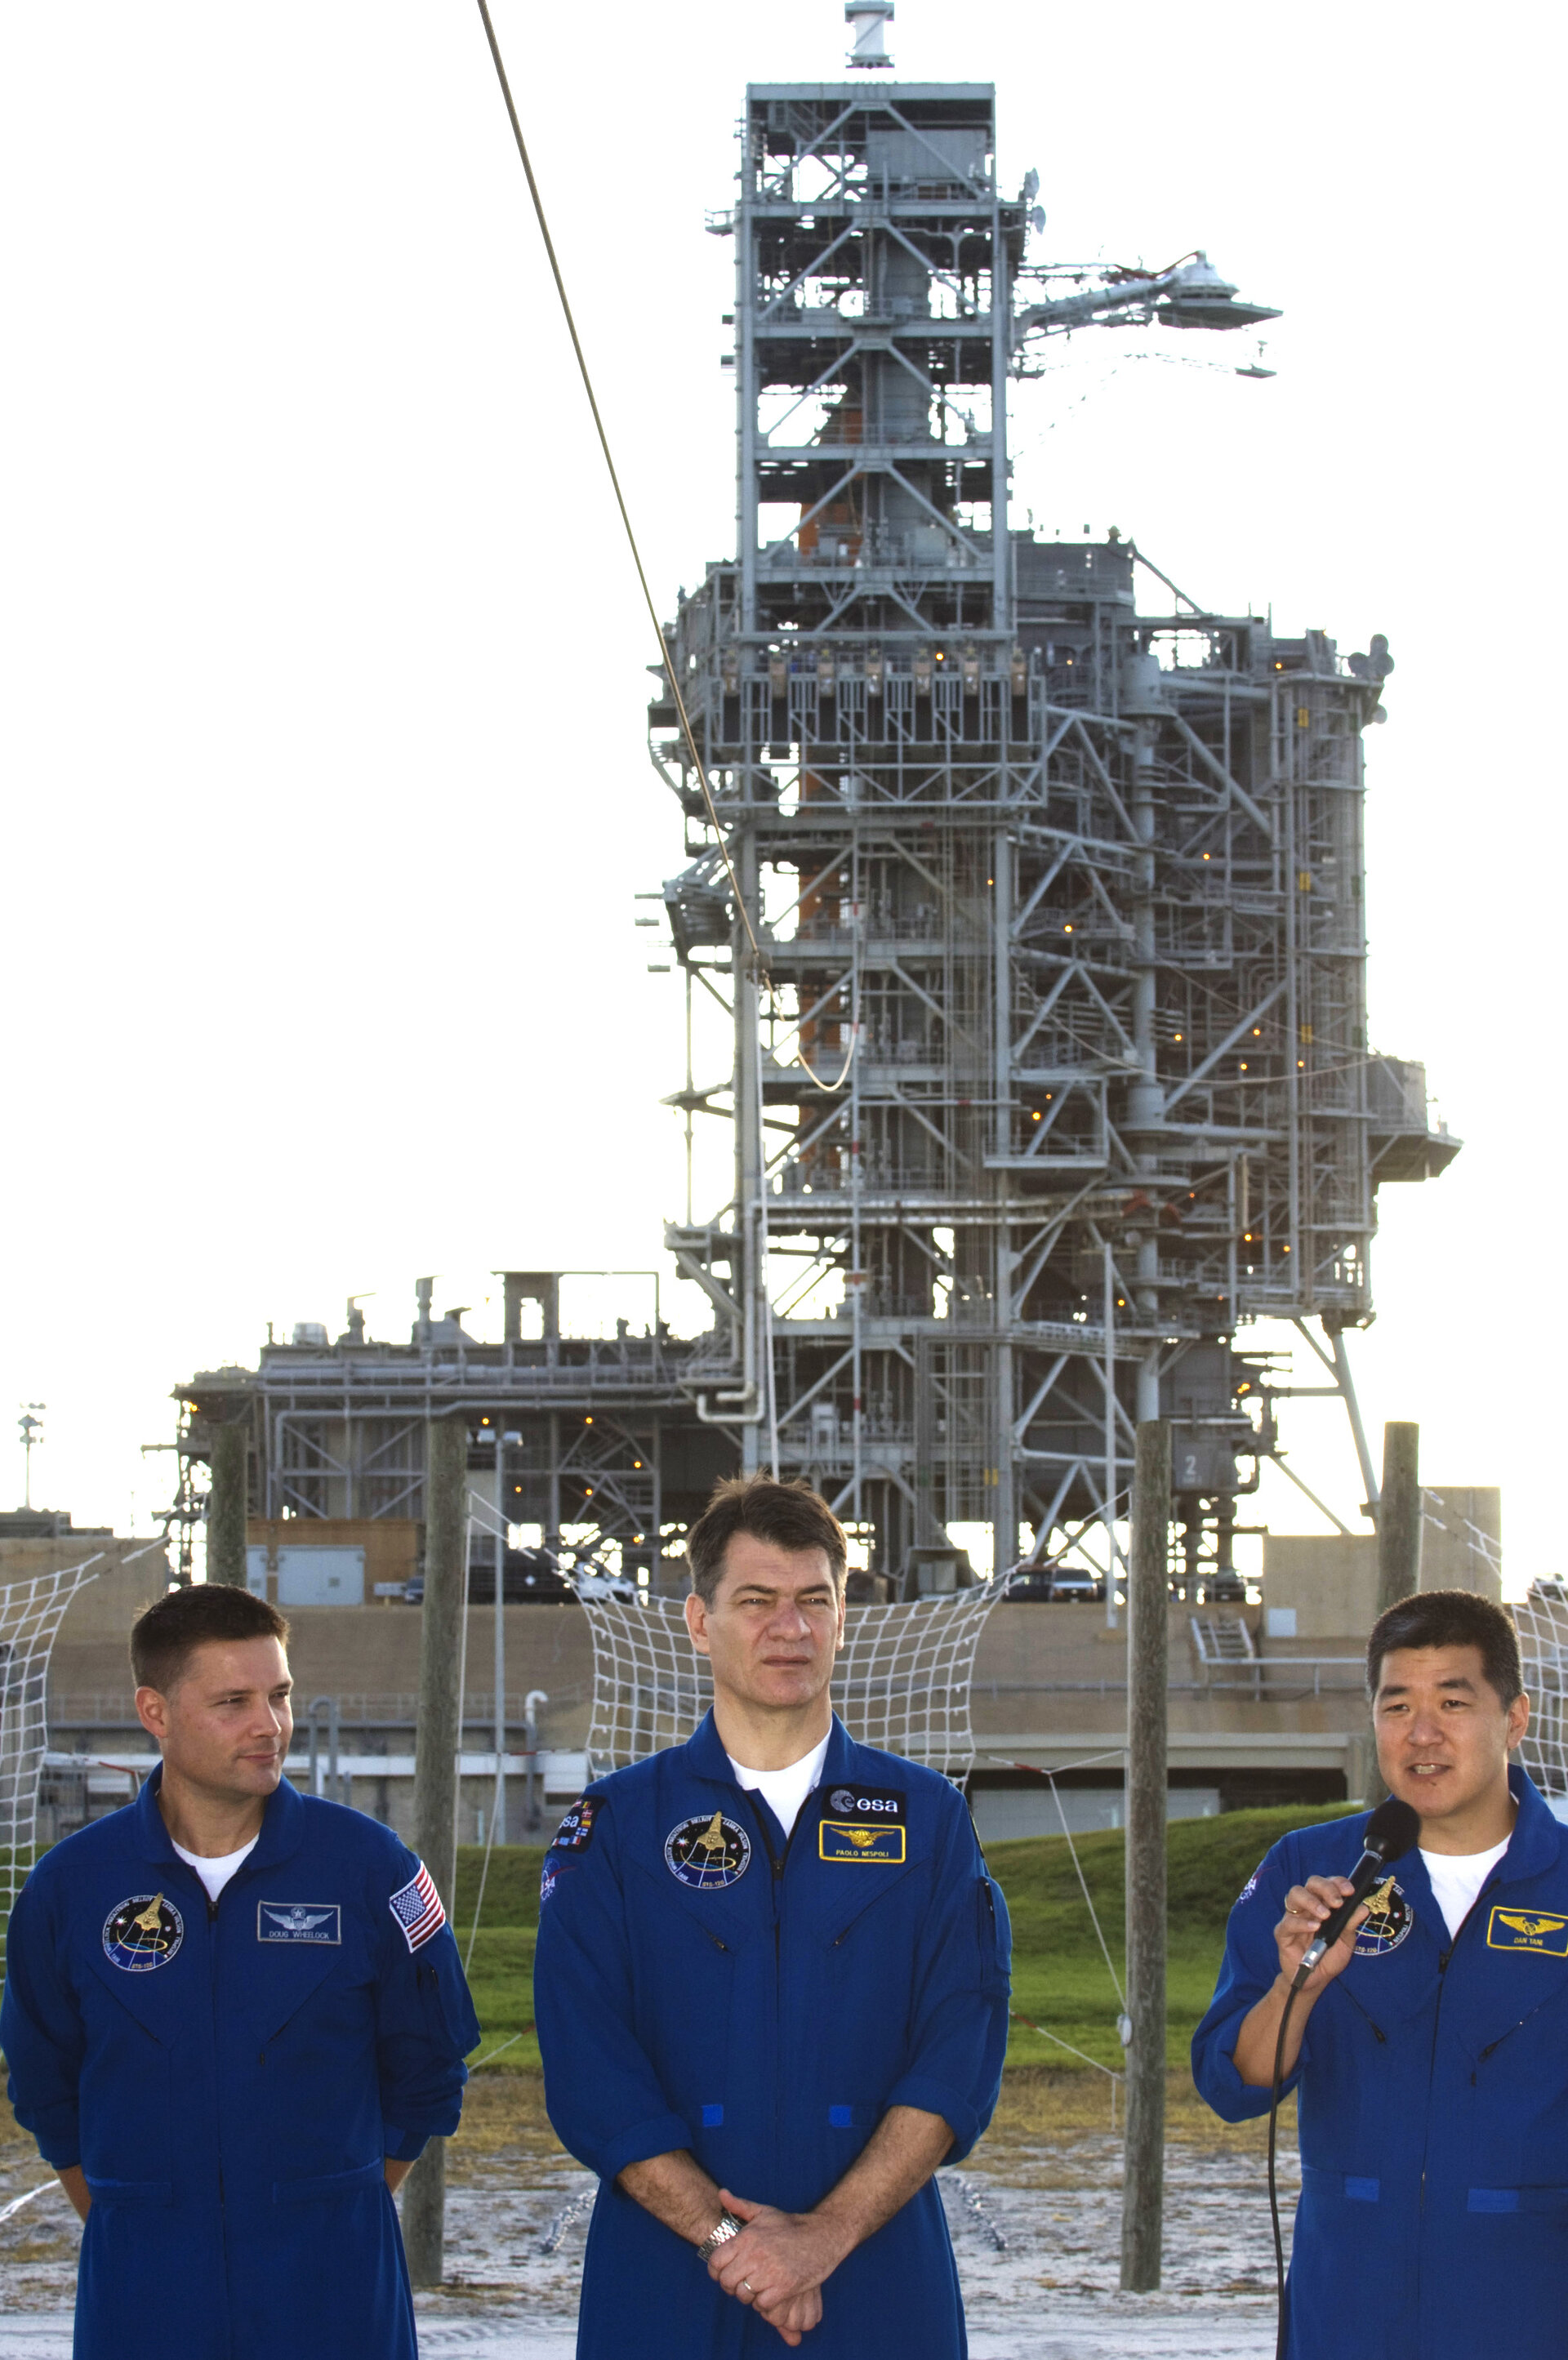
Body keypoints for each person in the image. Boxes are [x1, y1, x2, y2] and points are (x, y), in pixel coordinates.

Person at [534, 1476, 1011, 2355]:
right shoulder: (616, 1827)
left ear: (842, 1616)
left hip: (874, 2271)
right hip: (669, 2279)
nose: (789, 1629)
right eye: (756, 1601)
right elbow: (587, 2065)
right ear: (696, 1619)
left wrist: (824, 2236)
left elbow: (960, 2051)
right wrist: (734, 2247)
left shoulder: (929, 1818)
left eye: (813, 1601)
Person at [1, 1582, 480, 2360]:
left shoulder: (371, 1870)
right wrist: (139, 2215)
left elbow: (430, 2067)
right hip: (145, 2294)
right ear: (155, 1712)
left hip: (333, 2290)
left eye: (280, 1695)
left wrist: (332, 2202)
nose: (270, 1726)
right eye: (233, 1702)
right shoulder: (71, 1888)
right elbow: (45, 2084)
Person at [1192, 1587, 1568, 2354]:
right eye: (1396, 1707)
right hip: (1350, 2305)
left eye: (1453, 1703)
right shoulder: (1310, 1869)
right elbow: (1234, 2085)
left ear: (1516, 1719)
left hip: (1529, 2305)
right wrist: (1297, 1985)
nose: (1422, 1734)